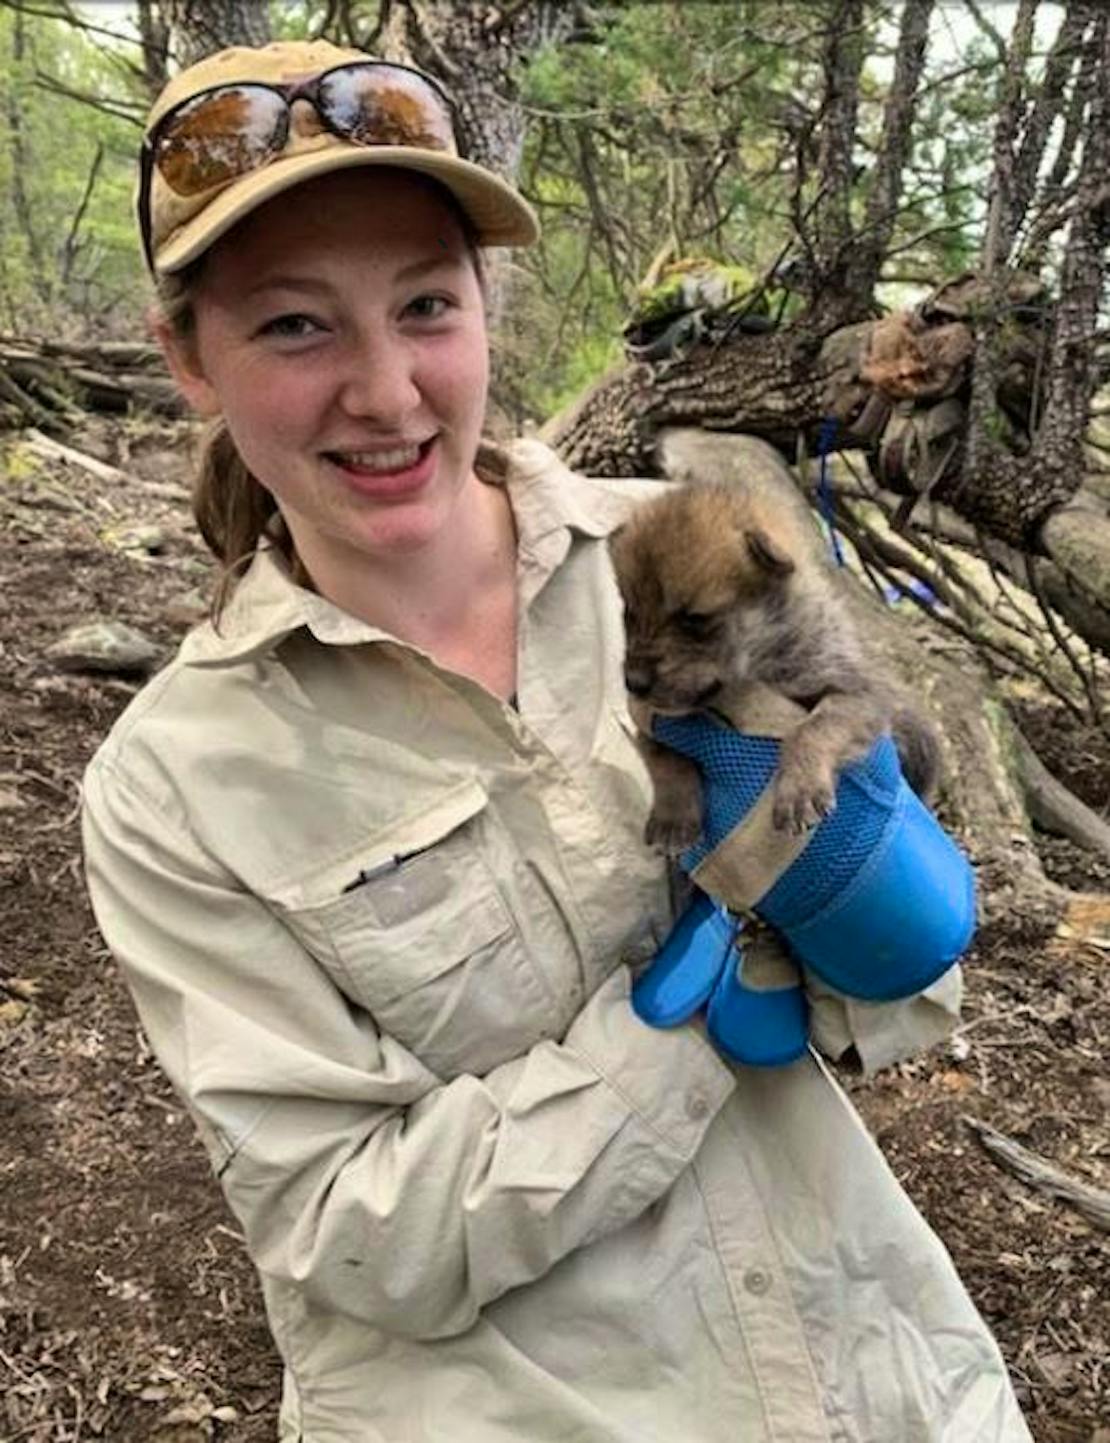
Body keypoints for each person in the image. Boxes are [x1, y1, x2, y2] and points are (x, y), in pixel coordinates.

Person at [82, 38, 1033, 1443]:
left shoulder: (686, 551)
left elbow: (903, 1008)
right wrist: (699, 1006)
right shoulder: (179, 786)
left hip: (879, 1382)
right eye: (293, 325)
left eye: (424, 305)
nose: (387, 391)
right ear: (188, 361)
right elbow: (354, 1233)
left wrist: (875, 901)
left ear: (484, 309)